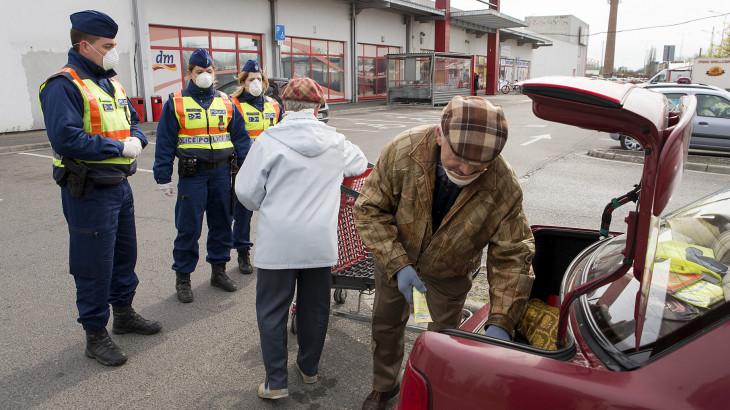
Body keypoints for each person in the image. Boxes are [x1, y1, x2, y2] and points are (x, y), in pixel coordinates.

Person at [354, 96, 536, 410]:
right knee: (386, 326)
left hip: (449, 275)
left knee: (443, 340)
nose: (465, 169)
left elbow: (513, 254)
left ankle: (432, 391)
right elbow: (369, 210)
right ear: (440, 135)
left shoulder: (503, 184)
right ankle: (384, 385)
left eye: (479, 165)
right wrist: (398, 265)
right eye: (458, 157)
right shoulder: (403, 150)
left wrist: (502, 320)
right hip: (396, 262)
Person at [38, 10, 161, 367]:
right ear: (85, 45)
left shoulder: (111, 84)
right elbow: (65, 138)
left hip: (119, 185)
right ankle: (95, 334)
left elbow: (132, 120)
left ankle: (123, 313)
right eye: (108, 45)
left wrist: (136, 139)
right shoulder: (64, 84)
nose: (114, 51)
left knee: (124, 255)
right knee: (93, 264)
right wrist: (117, 147)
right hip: (88, 190)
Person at [235, 77, 367, 400]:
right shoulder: (336, 142)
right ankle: (309, 369)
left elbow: (246, 193)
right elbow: (362, 164)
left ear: (283, 105)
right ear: (318, 107)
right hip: (319, 244)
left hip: (278, 243)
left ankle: (276, 382)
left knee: (272, 311)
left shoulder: (268, 140)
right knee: (315, 308)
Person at [153, 48, 251, 303]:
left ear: (214, 72)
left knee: (222, 224)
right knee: (188, 229)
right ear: (190, 73)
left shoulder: (226, 101)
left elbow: (240, 138)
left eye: (209, 71)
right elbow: (165, 142)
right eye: (199, 72)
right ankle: (183, 278)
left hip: (221, 173)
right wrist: (163, 176)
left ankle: (218, 271)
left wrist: (246, 168)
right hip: (192, 175)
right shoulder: (176, 101)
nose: (205, 75)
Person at [229, 60, 284, 275]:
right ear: (242, 82)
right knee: (243, 212)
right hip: (245, 167)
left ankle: (276, 249)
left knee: (277, 210)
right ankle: (243, 252)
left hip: (272, 166)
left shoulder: (274, 104)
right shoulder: (233, 104)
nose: (255, 82)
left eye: (258, 79)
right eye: (251, 79)